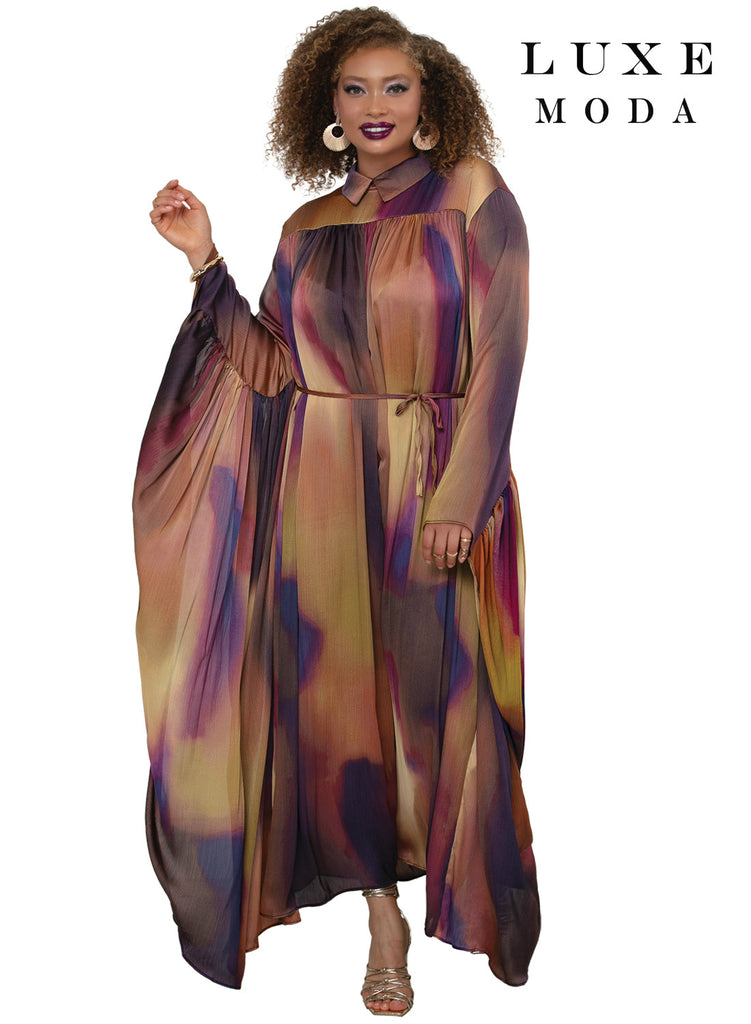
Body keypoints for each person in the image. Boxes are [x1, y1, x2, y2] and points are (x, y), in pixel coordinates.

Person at [135, 6, 540, 1016]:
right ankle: (380, 915)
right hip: (315, 492)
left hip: (433, 476)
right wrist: (204, 260)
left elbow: (500, 353)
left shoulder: (473, 194)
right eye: (354, 89)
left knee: (446, 700)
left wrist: (461, 495)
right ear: (327, 106)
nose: (374, 106)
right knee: (335, 714)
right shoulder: (306, 227)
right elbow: (277, 369)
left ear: (429, 100)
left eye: (394, 86)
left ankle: (472, 898)